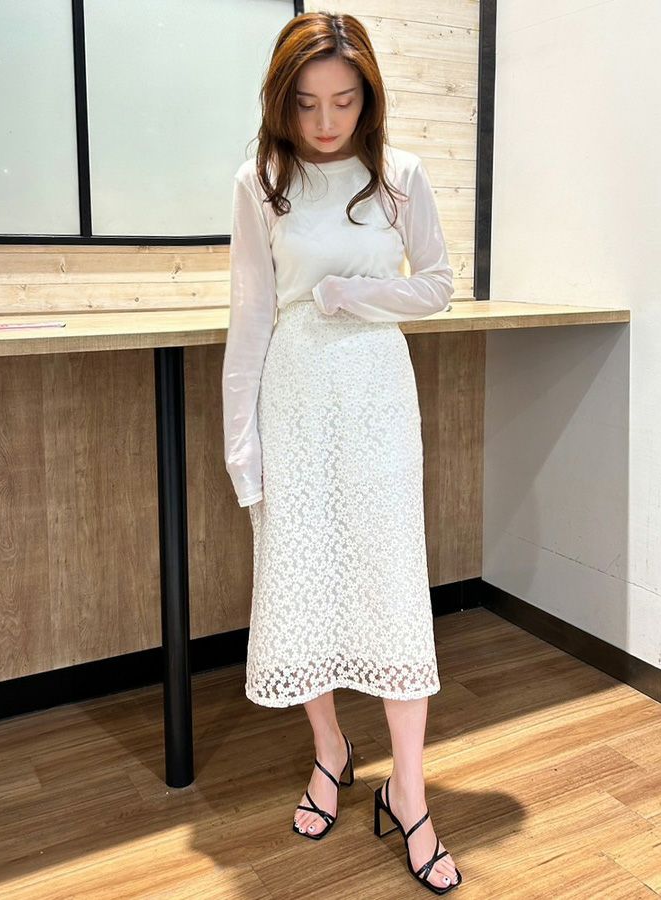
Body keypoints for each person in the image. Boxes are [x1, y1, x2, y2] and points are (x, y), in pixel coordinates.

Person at [222, 11, 462, 895]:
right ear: (282, 103)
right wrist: (242, 452)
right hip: (293, 398)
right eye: (308, 103)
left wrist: (352, 295)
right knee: (302, 579)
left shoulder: (400, 174)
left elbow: (437, 287)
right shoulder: (260, 182)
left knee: (393, 583)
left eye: (345, 100)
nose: (327, 121)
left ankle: (411, 795)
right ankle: (330, 749)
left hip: (377, 397)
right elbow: (250, 317)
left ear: (370, 98)